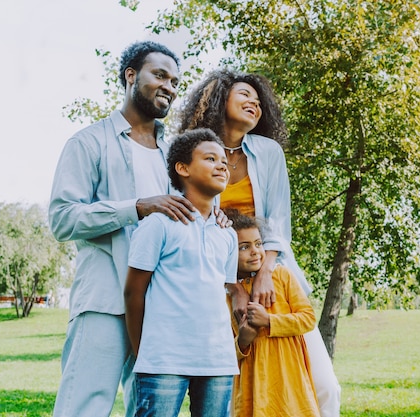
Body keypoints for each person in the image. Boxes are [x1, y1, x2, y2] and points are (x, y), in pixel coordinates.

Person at [48, 41, 227, 417]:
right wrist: (136, 207)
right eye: (159, 75)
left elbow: (191, 210)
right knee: (84, 406)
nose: (170, 86)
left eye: (175, 80)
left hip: (160, 308)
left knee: (145, 409)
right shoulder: (88, 143)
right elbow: (64, 219)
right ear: (131, 76)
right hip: (105, 301)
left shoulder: (174, 152)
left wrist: (216, 217)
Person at [178, 69, 341, 417]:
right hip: (213, 285)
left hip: (274, 274)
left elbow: (279, 222)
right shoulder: (196, 154)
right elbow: (194, 226)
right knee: (235, 391)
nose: (254, 102)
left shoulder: (268, 152)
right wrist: (233, 287)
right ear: (221, 101)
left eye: (257, 99)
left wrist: (266, 271)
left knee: (325, 386)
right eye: (243, 95)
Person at [125, 128, 238, 417]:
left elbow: (223, 294)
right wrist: (144, 353)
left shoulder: (227, 234)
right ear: (183, 168)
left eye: (224, 161)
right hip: (164, 361)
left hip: (217, 362)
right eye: (211, 158)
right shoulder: (158, 224)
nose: (222, 165)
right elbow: (133, 292)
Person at [226, 209, 320, 417]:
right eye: (244, 247)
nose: (255, 251)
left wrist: (269, 320)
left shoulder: (281, 276)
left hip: (288, 377)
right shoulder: (227, 297)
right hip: (252, 384)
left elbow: (308, 318)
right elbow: (224, 352)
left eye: (258, 244)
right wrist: (242, 341)